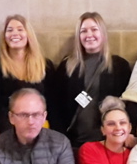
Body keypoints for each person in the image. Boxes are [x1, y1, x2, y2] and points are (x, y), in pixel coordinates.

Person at [48, 12, 131, 149]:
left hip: (108, 141)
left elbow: (128, 103)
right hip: (74, 141)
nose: (89, 35)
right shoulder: (67, 66)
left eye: (94, 29)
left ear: (102, 33)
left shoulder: (119, 66)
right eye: (83, 31)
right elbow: (55, 105)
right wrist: (61, 136)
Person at [0, 14, 54, 138]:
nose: (15, 33)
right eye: (9, 30)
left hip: (39, 135)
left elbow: (52, 106)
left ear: (28, 34)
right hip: (6, 136)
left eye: (20, 29)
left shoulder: (45, 66)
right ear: (4, 36)